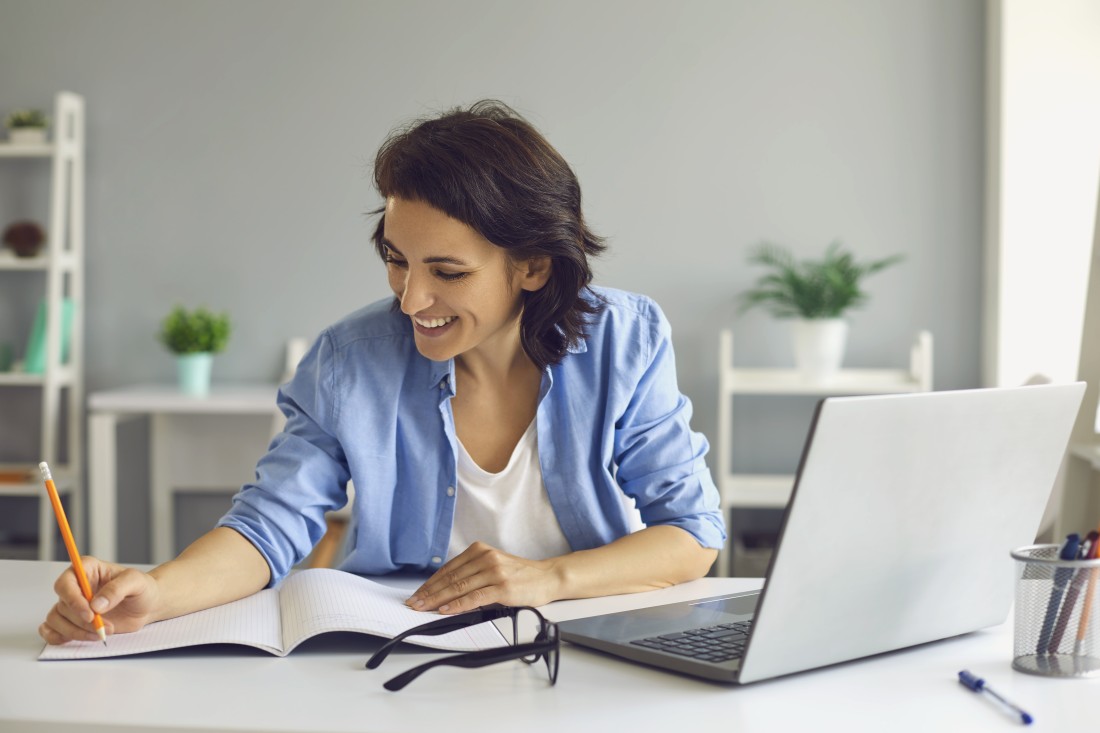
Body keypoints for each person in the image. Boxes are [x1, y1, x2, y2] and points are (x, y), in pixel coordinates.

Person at [39, 100, 725, 645]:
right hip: (396, 650)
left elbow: (694, 534)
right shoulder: (351, 357)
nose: (410, 298)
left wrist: (545, 578)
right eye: (397, 258)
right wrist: (156, 591)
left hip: (577, 645)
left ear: (533, 266)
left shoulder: (622, 339)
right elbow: (268, 525)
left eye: (447, 271)